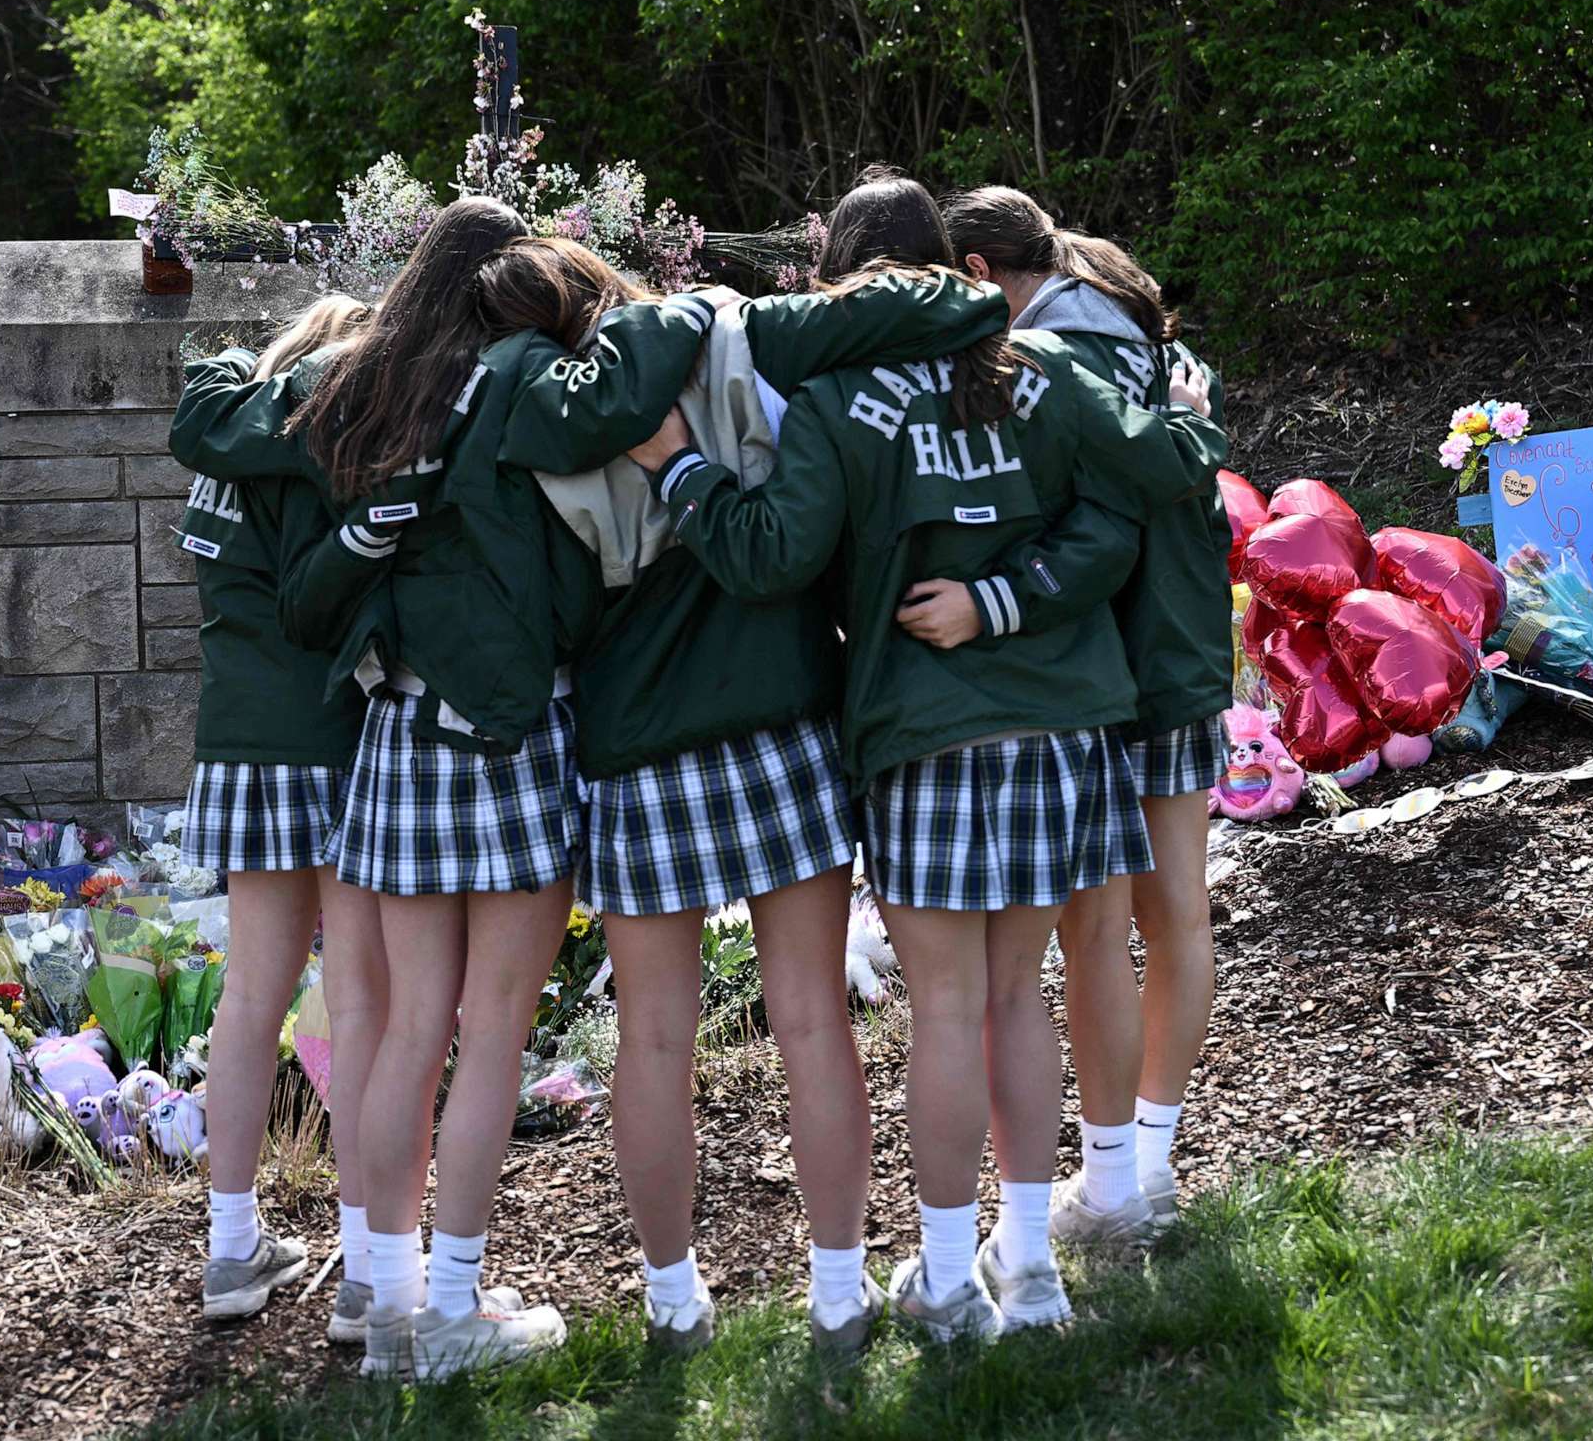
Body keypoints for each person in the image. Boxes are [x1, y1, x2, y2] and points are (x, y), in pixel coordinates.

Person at [626, 173, 1224, 1342]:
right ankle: (1032, 1266)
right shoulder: (1038, 371)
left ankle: (951, 1283)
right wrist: (1183, 430)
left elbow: (768, 559)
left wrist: (679, 467)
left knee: (950, 1011)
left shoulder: (837, 398)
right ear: (954, 270)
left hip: (925, 736)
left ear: (845, 287)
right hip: (1063, 730)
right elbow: (1129, 506)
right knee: (1016, 998)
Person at [174, 198, 714, 1382]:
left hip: (395, 737)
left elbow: (218, 422)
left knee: (408, 1032)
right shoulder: (515, 390)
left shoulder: (364, 393)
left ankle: (387, 1298)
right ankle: (450, 1316)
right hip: (512, 737)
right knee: (491, 1040)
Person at [493, 228, 1009, 1358]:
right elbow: (930, 307)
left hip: (635, 749)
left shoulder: (517, 418)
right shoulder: (734, 331)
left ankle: (673, 1302)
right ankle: (836, 1292)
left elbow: (546, 615)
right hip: (781, 720)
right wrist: (972, 298)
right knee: (816, 1020)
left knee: (654, 1043)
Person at [934, 187, 1232, 1233]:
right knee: (1177, 909)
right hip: (1183, 639)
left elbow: (1105, 507)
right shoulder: (1117, 309)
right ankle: (1147, 1158)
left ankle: (1126, 1174)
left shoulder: (1052, 354)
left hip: (1110, 658)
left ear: (978, 271)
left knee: (1100, 929)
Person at [167, 291, 383, 1327]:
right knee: (356, 1002)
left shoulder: (223, 445)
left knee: (250, 1001)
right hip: (331, 738)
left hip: (237, 742)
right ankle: (367, 1257)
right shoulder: (315, 452)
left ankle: (231, 1246)